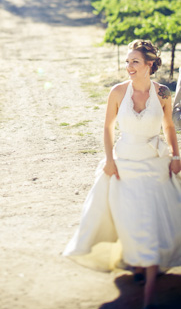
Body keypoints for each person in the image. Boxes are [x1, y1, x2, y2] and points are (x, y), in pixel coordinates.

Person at [63, 39, 181, 309]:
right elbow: (107, 128)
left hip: (154, 166)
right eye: (127, 62)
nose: (129, 66)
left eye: (135, 62)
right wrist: (108, 160)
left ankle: (149, 288)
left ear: (149, 64)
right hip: (124, 165)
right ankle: (139, 265)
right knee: (130, 220)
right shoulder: (117, 92)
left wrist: (175, 156)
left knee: (150, 222)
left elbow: (168, 128)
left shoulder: (162, 93)